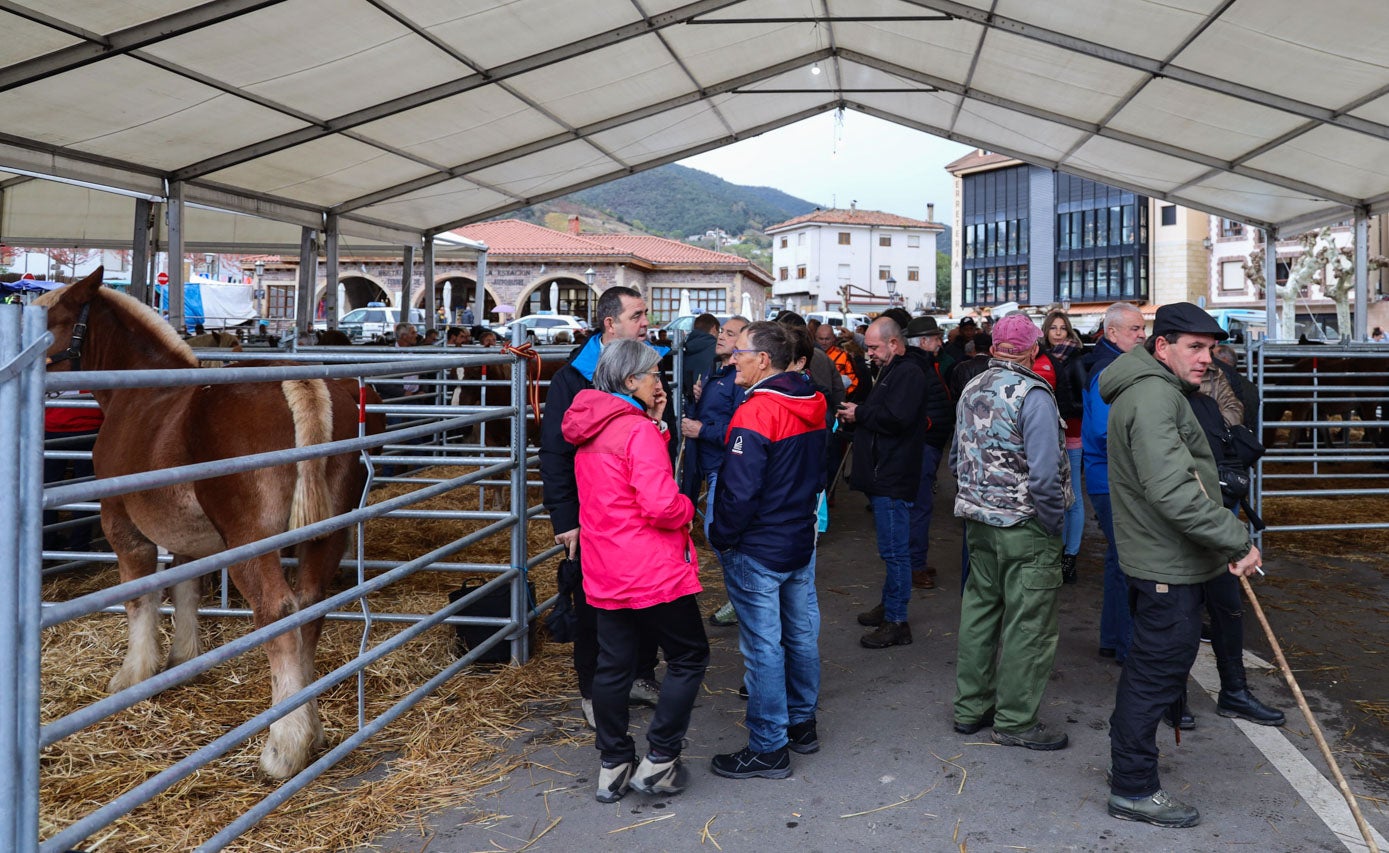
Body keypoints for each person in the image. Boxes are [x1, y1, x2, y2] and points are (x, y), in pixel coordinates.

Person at [1102, 302, 1264, 828]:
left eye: (1212, 348)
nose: (1207, 358)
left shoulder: (1160, 391)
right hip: (1164, 562)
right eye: (1194, 347)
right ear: (1161, 345)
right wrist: (1235, 538)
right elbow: (1172, 491)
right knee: (1156, 674)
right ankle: (1132, 786)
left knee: (1154, 672)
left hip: (1167, 555)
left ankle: (1127, 770)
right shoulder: (1152, 398)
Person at [560, 339, 709, 802]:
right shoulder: (636, 431)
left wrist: (656, 420)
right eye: (653, 376)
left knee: (613, 666)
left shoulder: (593, 425)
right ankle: (661, 758)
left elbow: (621, 480)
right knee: (688, 656)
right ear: (631, 381)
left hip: (606, 566)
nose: (659, 383)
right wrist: (688, 506)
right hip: (651, 566)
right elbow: (661, 503)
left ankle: (613, 762)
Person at [541, 287, 670, 728]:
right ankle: (593, 690)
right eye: (637, 315)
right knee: (593, 605)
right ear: (609, 323)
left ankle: (641, 675)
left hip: (640, 511)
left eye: (645, 314)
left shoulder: (647, 366)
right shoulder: (571, 378)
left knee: (648, 599)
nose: (645, 322)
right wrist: (565, 518)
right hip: (592, 515)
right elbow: (555, 453)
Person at [708, 321, 827, 780]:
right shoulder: (812, 401)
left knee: (763, 647)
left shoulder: (757, 412)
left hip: (758, 545)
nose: (731, 359)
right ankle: (802, 724)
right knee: (798, 635)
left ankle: (768, 746)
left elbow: (739, 491)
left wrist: (722, 535)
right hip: (797, 536)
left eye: (739, 352)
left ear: (764, 360)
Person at [949, 313, 1072, 750]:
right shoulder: (1034, 395)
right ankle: (1016, 721)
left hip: (979, 522)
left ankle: (970, 708)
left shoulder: (971, 387)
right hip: (1026, 524)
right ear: (1034, 349)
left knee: (980, 612)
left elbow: (955, 458)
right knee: (1029, 624)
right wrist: (1054, 524)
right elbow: (1044, 475)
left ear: (995, 347)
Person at [839, 317, 928, 649]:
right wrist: (858, 414)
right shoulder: (895, 370)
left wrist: (859, 414)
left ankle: (897, 620)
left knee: (895, 552)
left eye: (874, 347)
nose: (869, 354)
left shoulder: (908, 373)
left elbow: (897, 419)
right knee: (892, 550)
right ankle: (890, 605)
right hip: (886, 471)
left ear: (894, 343)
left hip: (893, 473)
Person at [1081, 302, 1147, 663]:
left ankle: (1112, 638)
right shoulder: (1109, 370)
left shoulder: (1114, 364)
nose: (1142, 335)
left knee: (1117, 559)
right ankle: (1126, 646)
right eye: (1135, 329)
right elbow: (1106, 433)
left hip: (1108, 476)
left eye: (1142, 328)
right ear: (1112, 333)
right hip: (1112, 479)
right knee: (1127, 562)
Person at [680, 315, 750, 628]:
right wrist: (699, 397)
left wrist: (700, 428)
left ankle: (744, 597)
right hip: (708, 466)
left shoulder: (739, 380)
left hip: (725, 467)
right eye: (722, 331)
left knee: (718, 535)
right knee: (718, 535)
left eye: (731, 334)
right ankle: (743, 597)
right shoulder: (716, 371)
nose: (721, 337)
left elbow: (739, 430)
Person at [1031, 310, 1087, 583]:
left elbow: (1083, 400)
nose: (1057, 332)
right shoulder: (1039, 358)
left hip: (1071, 433)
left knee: (1072, 496)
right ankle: (1057, 550)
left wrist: (1061, 408)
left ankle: (1070, 557)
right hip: (1049, 434)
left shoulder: (1075, 358)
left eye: (1062, 328)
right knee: (1054, 494)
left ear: (1068, 331)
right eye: (1053, 327)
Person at [902, 315, 954, 590]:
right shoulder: (918, 368)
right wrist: (930, 426)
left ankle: (915, 561)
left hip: (927, 446)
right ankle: (914, 565)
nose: (939, 342)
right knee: (919, 508)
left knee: (920, 507)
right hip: (923, 447)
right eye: (935, 338)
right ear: (923, 341)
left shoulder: (923, 365)